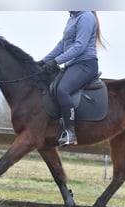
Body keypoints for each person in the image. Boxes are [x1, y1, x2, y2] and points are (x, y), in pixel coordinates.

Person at [39, 11, 105, 147]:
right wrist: (44, 61)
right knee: (54, 85)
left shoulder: (86, 17)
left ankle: (70, 132)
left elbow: (79, 46)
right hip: (73, 65)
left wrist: (56, 61)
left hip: (86, 64)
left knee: (63, 90)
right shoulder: (72, 18)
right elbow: (62, 44)